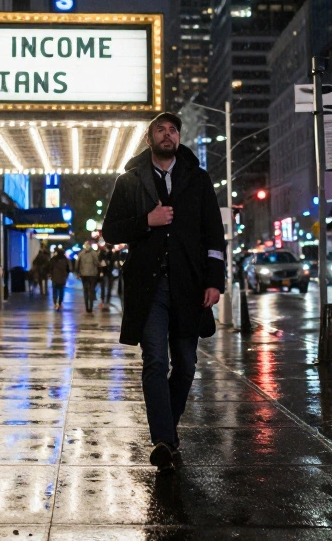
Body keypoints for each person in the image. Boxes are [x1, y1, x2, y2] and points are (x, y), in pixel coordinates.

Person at [102, 111, 225, 471]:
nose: (168, 134)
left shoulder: (198, 179)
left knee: (186, 365)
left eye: (173, 130)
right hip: (149, 288)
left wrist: (214, 281)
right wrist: (146, 221)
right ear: (149, 138)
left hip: (189, 286)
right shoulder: (129, 181)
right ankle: (163, 440)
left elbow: (214, 235)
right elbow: (110, 231)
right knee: (155, 361)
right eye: (161, 129)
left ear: (178, 138)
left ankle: (167, 431)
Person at [76, 242, 101, 313]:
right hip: (92, 274)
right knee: (92, 290)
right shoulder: (93, 253)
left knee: (85, 291)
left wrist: (78, 272)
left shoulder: (81, 253)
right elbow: (97, 263)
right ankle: (91, 307)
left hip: (83, 274)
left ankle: (87, 307)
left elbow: (77, 264)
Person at [98, 244, 115, 308]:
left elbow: (99, 262)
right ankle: (106, 301)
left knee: (104, 287)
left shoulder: (103, 253)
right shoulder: (111, 254)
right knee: (108, 288)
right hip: (108, 273)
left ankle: (103, 300)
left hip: (105, 272)